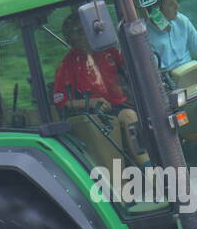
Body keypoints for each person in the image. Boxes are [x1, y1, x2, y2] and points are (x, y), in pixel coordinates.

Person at [53, 12, 150, 167]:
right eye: (76, 33)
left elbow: (128, 67)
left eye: (84, 30)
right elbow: (61, 101)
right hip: (98, 113)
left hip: (122, 101)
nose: (82, 36)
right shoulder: (67, 65)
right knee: (129, 116)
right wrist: (92, 102)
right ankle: (151, 168)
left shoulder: (108, 51)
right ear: (69, 39)